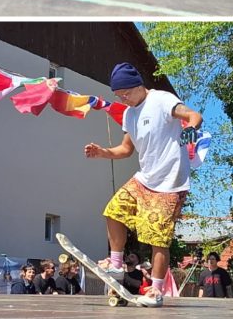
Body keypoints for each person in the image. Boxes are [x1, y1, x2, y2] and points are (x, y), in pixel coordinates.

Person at [84, 62, 202, 308]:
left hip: (170, 182)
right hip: (145, 179)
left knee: (158, 238)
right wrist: (103, 152)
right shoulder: (129, 114)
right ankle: (116, 263)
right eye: (119, 96)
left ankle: (156, 291)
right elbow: (126, 149)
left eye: (126, 93)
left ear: (138, 86)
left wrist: (191, 128)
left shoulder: (161, 100)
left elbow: (194, 115)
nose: (124, 99)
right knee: (113, 211)